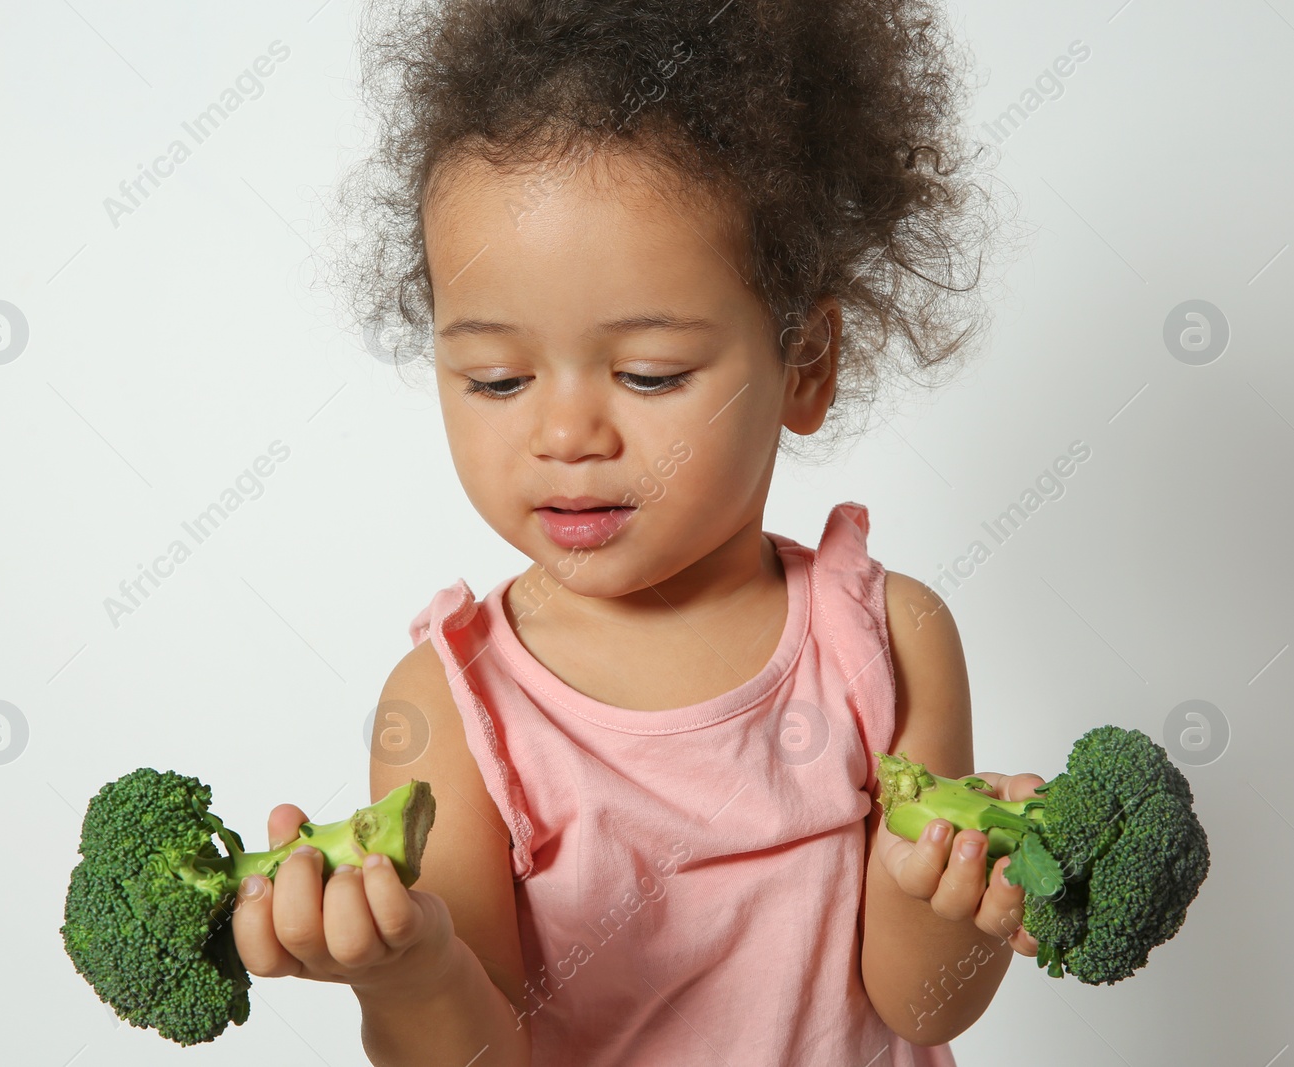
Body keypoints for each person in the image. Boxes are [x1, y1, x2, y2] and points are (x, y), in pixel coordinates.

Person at [234, 1, 1039, 1062]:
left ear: (804, 363)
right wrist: (410, 968)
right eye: (498, 377)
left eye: (649, 373)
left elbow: (922, 1005)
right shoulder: (452, 710)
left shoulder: (887, 641)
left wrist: (944, 885)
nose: (566, 432)